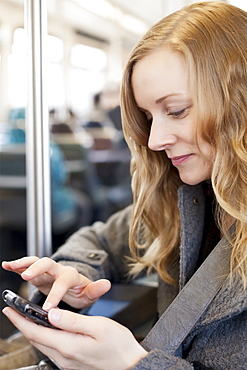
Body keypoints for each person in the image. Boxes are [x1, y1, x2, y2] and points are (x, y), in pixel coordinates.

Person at [2, 2, 247, 369]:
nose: (154, 140)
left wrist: (133, 364)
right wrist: (76, 273)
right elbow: (102, 239)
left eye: (176, 110)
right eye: (148, 117)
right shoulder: (193, 196)